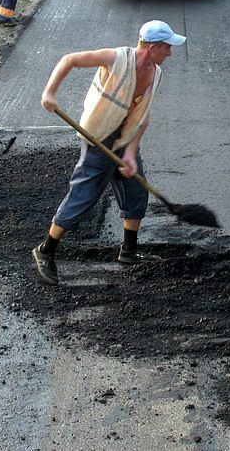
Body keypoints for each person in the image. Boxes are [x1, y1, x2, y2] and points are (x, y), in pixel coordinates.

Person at [31, 20, 187, 285]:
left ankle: (129, 252)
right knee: (84, 195)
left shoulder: (155, 72)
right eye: (166, 48)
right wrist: (49, 92)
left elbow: (142, 117)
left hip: (123, 139)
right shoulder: (116, 58)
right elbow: (69, 60)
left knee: (136, 192)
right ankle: (45, 251)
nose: (170, 53)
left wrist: (130, 153)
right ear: (152, 47)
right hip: (98, 136)